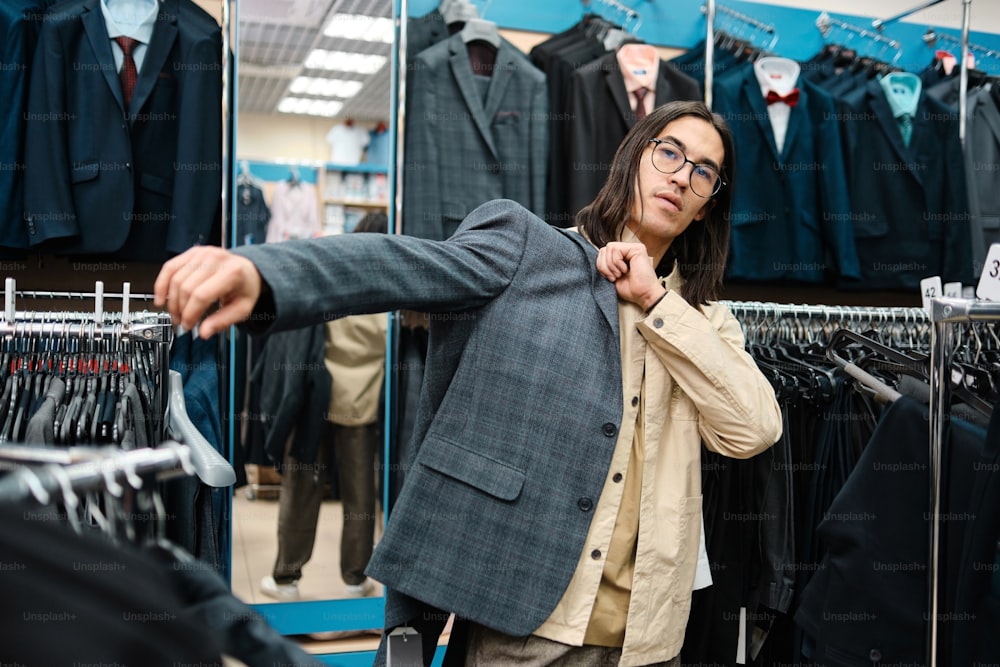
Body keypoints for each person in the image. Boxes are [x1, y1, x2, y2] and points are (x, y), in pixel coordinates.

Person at [155, 100, 783, 667]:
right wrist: (264, 274)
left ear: (708, 204)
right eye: (669, 152)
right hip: (524, 627)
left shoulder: (706, 325)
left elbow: (753, 428)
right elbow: (403, 264)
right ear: (633, 157)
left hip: (646, 643)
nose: (680, 175)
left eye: (703, 171)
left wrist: (654, 300)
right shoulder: (527, 249)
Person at [260, 211, 388, 602]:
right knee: (359, 493)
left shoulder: (336, 268)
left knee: (302, 485)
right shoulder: (389, 284)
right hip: (362, 399)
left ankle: (286, 578)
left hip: (316, 394)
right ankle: (355, 579)